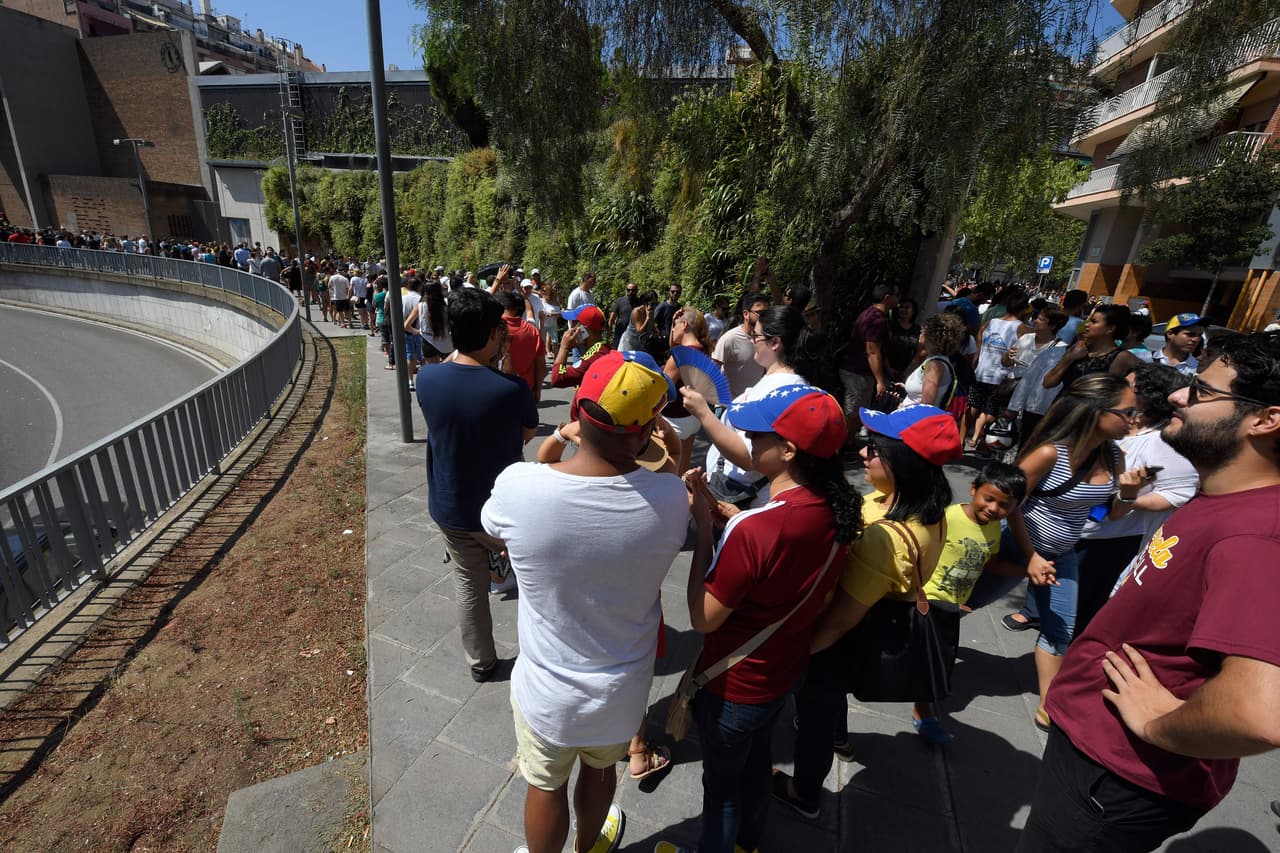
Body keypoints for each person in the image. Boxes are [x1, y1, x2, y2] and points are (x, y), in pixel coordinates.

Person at [1017, 332, 1280, 853]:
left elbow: (1257, 713)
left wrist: (1160, 726)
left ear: (1266, 419)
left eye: (1202, 391)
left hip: (1115, 777)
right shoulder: (1222, 496)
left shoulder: (1256, 535)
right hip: (1098, 753)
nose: (1178, 397)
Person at [483, 351, 687, 853]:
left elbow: (494, 527)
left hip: (546, 692)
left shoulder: (518, 486)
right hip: (620, 692)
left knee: (544, 784)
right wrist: (664, 440)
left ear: (577, 409)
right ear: (646, 432)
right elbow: (669, 468)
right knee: (599, 776)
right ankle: (586, 847)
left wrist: (557, 438)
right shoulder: (670, 501)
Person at [655, 386, 857, 853]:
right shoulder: (836, 508)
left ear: (788, 450)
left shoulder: (758, 527)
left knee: (721, 791)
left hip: (735, 686)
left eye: (757, 435)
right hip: (782, 673)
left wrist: (706, 529)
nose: (747, 440)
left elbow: (702, 619)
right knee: (757, 763)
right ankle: (749, 844)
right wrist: (736, 522)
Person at [776, 404, 960, 818]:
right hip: (859, 626)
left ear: (903, 464)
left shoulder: (886, 539)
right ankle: (840, 737)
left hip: (840, 639)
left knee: (814, 714)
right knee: (829, 704)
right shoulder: (918, 506)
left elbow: (840, 620)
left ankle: (804, 792)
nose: (862, 452)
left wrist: (795, 655)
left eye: (874, 448)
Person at [993, 374, 1140, 731]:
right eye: (1127, 411)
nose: (1134, 419)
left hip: (1063, 554)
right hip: (1016, 545)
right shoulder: (1049, 453)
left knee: (1060, 628)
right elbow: (1008, 504)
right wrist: (1029, 557)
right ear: (1096, 411)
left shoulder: (1116, 456)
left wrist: (1129, 493)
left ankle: (1048, 703)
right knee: (966, 603)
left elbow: (1114, 514)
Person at [416, 288, 537, 683]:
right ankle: (541, 655)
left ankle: (481, 663)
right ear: (491, 335)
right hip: (501, 510)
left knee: (469, 587)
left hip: (451, 507)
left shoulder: (428, 379)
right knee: (533, 580)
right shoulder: (511, 389)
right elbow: (527, 433)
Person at [1071, 364, 1197, 639]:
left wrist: (1123, 498)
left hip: (1109, 541)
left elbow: (1174, 495)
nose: (1120, 390)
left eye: (1129, 387)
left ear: (1147, 396)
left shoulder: (1163, 442)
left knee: (1081, 609)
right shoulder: (1118, 426)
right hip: (1082, 529)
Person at [911, 462, 1026, 743]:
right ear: (973, 489)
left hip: (954, 603)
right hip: (930, 598)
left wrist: (1027, 571)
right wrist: (916, 592)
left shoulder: (994, 530)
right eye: (989, 499)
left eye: (1004, 505)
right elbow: (917, 550)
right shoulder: (948, 516)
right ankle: (923, 713)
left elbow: (993, 564)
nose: (993, 509)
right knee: (933, 659)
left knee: (924, 655)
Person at [681, 305, 813, 510]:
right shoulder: (777, 381)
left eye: (756, 336)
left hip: (743, 498)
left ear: (775, 343)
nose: (752, 341)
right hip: (734, 488)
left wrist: (703, 412)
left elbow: (749, 457)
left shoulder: (782, 388)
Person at [966, 291, 1030, 451]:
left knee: (973, 409)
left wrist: (977, 358)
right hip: (1001, 377)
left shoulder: (991, 322)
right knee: (991, 412)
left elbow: (980, 335)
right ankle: (982, 443)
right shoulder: (1021, 328)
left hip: (981, 372)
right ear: (1023, 309)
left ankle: (963, 440)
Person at [660, 307, 715, 473]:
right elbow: (675, 346)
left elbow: (661, 391)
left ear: (684, 325)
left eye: (675, 326)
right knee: (683, 463)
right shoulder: (703, 349)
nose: (673, 329)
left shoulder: (680, 356)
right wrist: (673, 323)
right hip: (692, 418)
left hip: (674, 419)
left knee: (665, 469)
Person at [839, 283, 899, 434]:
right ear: (887, 297)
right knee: (852, 412)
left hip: (859, 371)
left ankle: (849, 443)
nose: (899, 299)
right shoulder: (877, 319)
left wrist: (887, 367)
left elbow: (880, 349)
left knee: (858, 411)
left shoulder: (870, 313)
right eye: (896, 295)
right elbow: (872, 350)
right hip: (858, 372)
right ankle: (841, 446)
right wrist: (880, 381)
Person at [1042, 304, 1142, 392]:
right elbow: (1048, 383)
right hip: (1062, 407)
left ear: (1110, 329)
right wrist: (1069, 358)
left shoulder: (1121, 357)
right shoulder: (1078, 348)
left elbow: (1149, 379)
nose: (1086, 324)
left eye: (1094, 322)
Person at [899, 313, 965, 409]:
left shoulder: (935, 365)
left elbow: (926, 405)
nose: (920, 334)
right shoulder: (937, 360)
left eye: (922, 331)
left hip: (912, 421)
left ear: (931, 336)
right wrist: (908, 390)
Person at [711, 292, 769, 399]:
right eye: (759, 313)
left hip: (754, 402)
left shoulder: (768, 339)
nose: (764, 317)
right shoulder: (729, 339)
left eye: (767, 313)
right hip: (729, 405)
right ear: (746, 313)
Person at [497, 290, 546, 401]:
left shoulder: (493, 329)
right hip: (526, 390)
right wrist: (538, 390)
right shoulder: (532, 330)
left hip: (499, 391)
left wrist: (497, 283)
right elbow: (540, 365)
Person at [550, 304, 611, 388]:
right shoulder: (604, 348)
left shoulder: (594, 356)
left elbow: (557, 378)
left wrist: (564, 348)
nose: (570, 328)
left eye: (573, 323)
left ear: (583, 329)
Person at [405, 280, 453, 366]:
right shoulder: (446, 304)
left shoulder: (420, 306)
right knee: (448, 370)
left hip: (427, 340)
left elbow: (406, 325)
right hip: (445, 339)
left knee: (432, 370)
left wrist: (418, 331)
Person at [886, 296, 922, 380]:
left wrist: (907, 371)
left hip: (906, 374)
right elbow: (883, 349)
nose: (903, 310)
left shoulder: (917, 329)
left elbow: (918, 353)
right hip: (887, 371)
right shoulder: (891, 326)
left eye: (907, 307)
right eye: (901, 307)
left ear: (913, 311)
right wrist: (889, 369)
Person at [653, 284, 683, 353]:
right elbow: (652, 321)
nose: (675, 294)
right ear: (668, 292)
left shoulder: (680, 308)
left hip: (676, 342)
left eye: (678, 292)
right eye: (673, 291)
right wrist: (658, 334)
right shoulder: (662, 307)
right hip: (663, 343)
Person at [609, 282, 640, 347]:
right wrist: (609, 330)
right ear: (626, 290)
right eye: (628, 290)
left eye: (633, 290)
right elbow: (612, 317)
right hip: (620, 333)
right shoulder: (620, 301)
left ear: (637, 291)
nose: (630, 292)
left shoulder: (639, 302)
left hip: (634, 335)